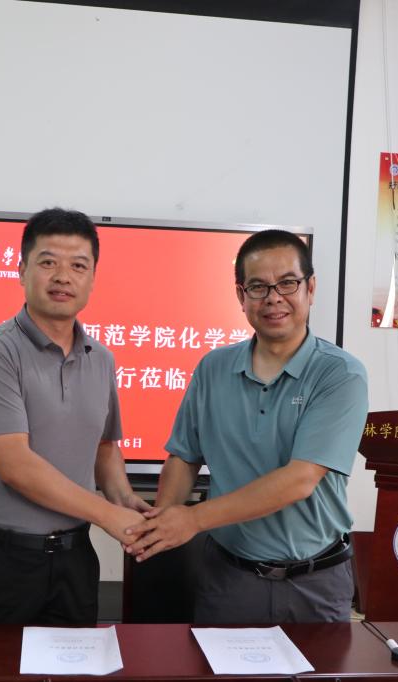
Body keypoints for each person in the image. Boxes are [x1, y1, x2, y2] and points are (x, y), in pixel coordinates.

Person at [126, 229, 368, 624]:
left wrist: (192, 519)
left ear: (310, 288)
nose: (273, 298)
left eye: (287, 283)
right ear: (241, 296)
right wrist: (163, 522)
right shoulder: (213, 368)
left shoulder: (339, 374)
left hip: (315, 583)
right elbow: (184, 458)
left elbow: (300, 479)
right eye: (258, 287)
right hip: (229, 578)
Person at [0, 207, 149, 626]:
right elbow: (16, 467)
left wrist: (125, 499)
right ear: (22, 271)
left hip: (74, 558)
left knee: (74, 660)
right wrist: (110, 515)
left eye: (78, 266)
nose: (63, 277)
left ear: (92, 278)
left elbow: (104, 447)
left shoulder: (101, 359)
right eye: (48, 262)